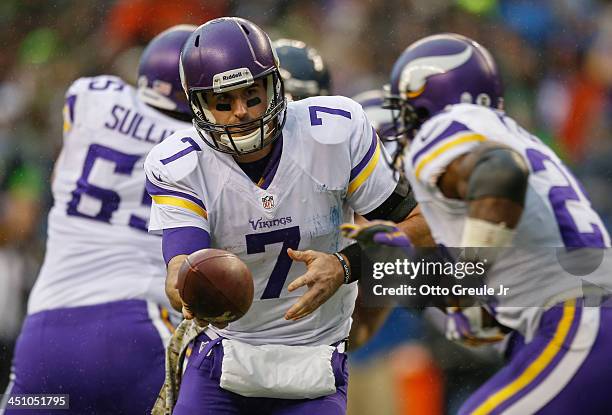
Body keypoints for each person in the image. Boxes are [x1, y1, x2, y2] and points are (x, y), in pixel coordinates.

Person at [144, 17, 430, 415]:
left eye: (251, 95)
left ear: (275, 85)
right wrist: (192, 291)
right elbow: (179, 269)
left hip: (314, 363)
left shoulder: (333, 132)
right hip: (225, 356)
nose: (241, 112)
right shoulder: (180, 162)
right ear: (198, 104)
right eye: (223, 102)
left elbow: (421, 224)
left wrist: (346, 266)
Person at [374, 33, 612, 414]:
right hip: (579, 321)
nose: (403, 129)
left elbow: (499, 173)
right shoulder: (506, 132)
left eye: (407, 112)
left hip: (579, 323)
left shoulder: (449, 125)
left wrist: (467, 280)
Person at [1, 25, 195, 415]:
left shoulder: (91, 97)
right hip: (141, 328)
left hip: (45, 333)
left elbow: (62, 177)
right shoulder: (203, 145)